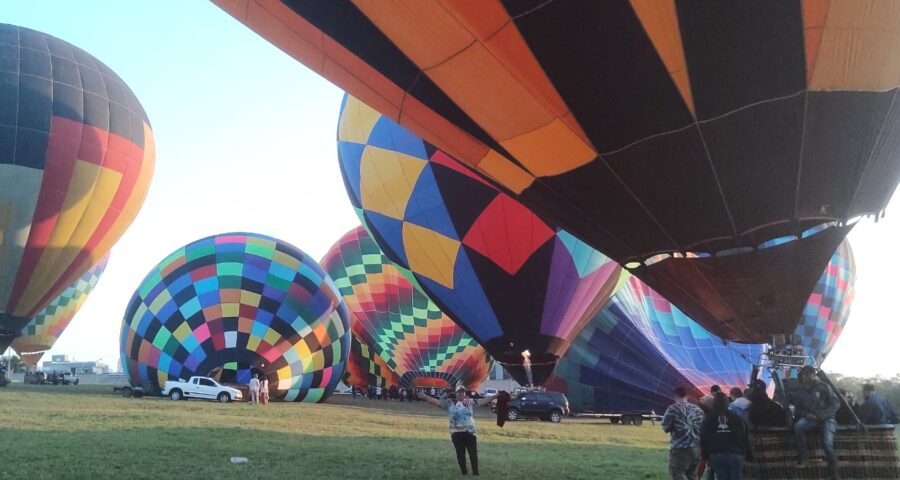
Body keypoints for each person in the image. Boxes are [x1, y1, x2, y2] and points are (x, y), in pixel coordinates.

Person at [419, 385, 499, 476]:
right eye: (459, 392)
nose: (461, 393)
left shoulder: (470, 402)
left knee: (473, 454)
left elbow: (483, 401)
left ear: (464, 393)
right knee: (460, 454)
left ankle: (476, 473)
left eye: (463, 392)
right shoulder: (450, 403)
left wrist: (495, 396)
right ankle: (464, 473)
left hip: (470, 432)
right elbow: (437, 402)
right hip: (456, 433)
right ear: (456, 393)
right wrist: (425, 397)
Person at [790, 366, 840, 479]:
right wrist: (806, 415)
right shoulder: (800, 391)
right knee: (798, 427)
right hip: (811, 419)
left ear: (813, 375)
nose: (806, 376)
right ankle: (803, 458)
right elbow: (798, 409)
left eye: (809, 374)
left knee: (827, 444)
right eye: (804, 374)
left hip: (827, 419)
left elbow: (836, 403)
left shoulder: (823, 387)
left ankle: (833, 473)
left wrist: (824, 415)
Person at [701, 393, 753, 480]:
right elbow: (745, 436)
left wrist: (704, 455)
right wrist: (749, 454)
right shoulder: (737, 417)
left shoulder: (709, 418)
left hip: (717, 454)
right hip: (736, 454)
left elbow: (703, 437)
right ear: (727, 402)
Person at [662, 386, 705, 480]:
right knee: (693, 475)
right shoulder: (698, 410)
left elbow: (665, 427)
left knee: (677, 473)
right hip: (697, 447)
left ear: (675, 396)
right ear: (687, 396)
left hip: (681, 447)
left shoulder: (673, 409)